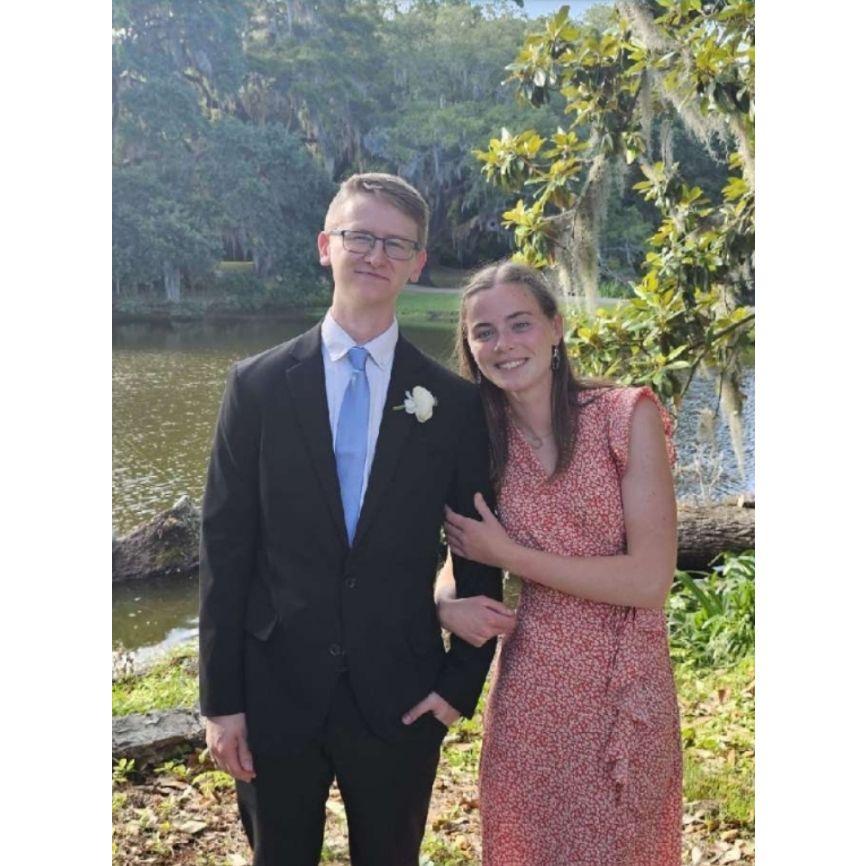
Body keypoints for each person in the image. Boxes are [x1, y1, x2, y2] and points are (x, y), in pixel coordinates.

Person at [198, 173, 502, 866]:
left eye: (397, 244)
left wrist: (457, 688)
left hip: (402, 694)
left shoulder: (452, 403)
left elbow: (476, 548)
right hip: (274, 692)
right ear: (325, 245)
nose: (375, 255)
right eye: (359, 236)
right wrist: (221, 701)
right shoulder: (257, 386)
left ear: (418, 263)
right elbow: (226, 547)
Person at [435, 261, 682, 866]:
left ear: (556, 328)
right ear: (470, 348)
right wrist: (443, 604)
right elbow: (460, 553)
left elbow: (650, 581)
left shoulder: (625, 416)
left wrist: (510, 556)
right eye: (484, 332)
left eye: (520, 323)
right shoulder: (480, 442)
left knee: (625, 848)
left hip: (628, 684)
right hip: (533, 688)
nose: (503, 343)